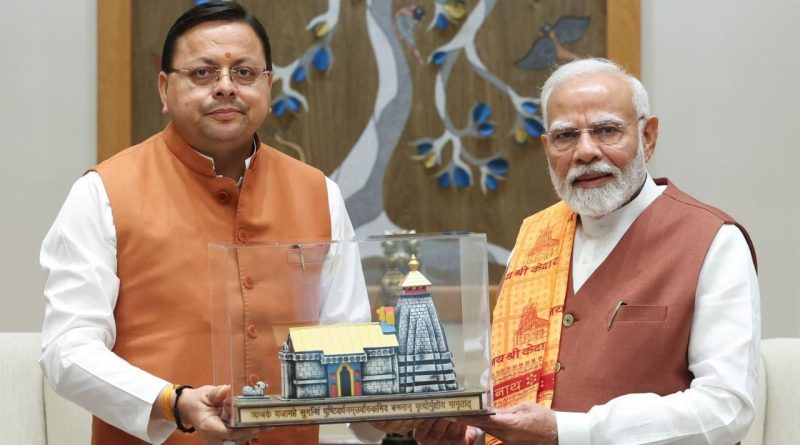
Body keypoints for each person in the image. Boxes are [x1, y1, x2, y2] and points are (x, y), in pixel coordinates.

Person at [39, 3, 369, 445]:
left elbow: (350, 350)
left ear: (268, 86)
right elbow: (67, 350)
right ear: (164, 88)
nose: (226, 87)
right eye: (202, 73)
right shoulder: (102, 193)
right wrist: (171, 402)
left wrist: (403, 418)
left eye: (245, 73)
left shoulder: (320, 194)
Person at [411, 58, 761, 444]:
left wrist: (569, 431)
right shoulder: (533, 242)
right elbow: (518, 399)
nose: (586, 151)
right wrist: (475, 436)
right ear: (547, 147)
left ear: (647, 136)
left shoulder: (713, 241)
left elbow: (726, 410)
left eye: (607, 130)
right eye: (565, 136)